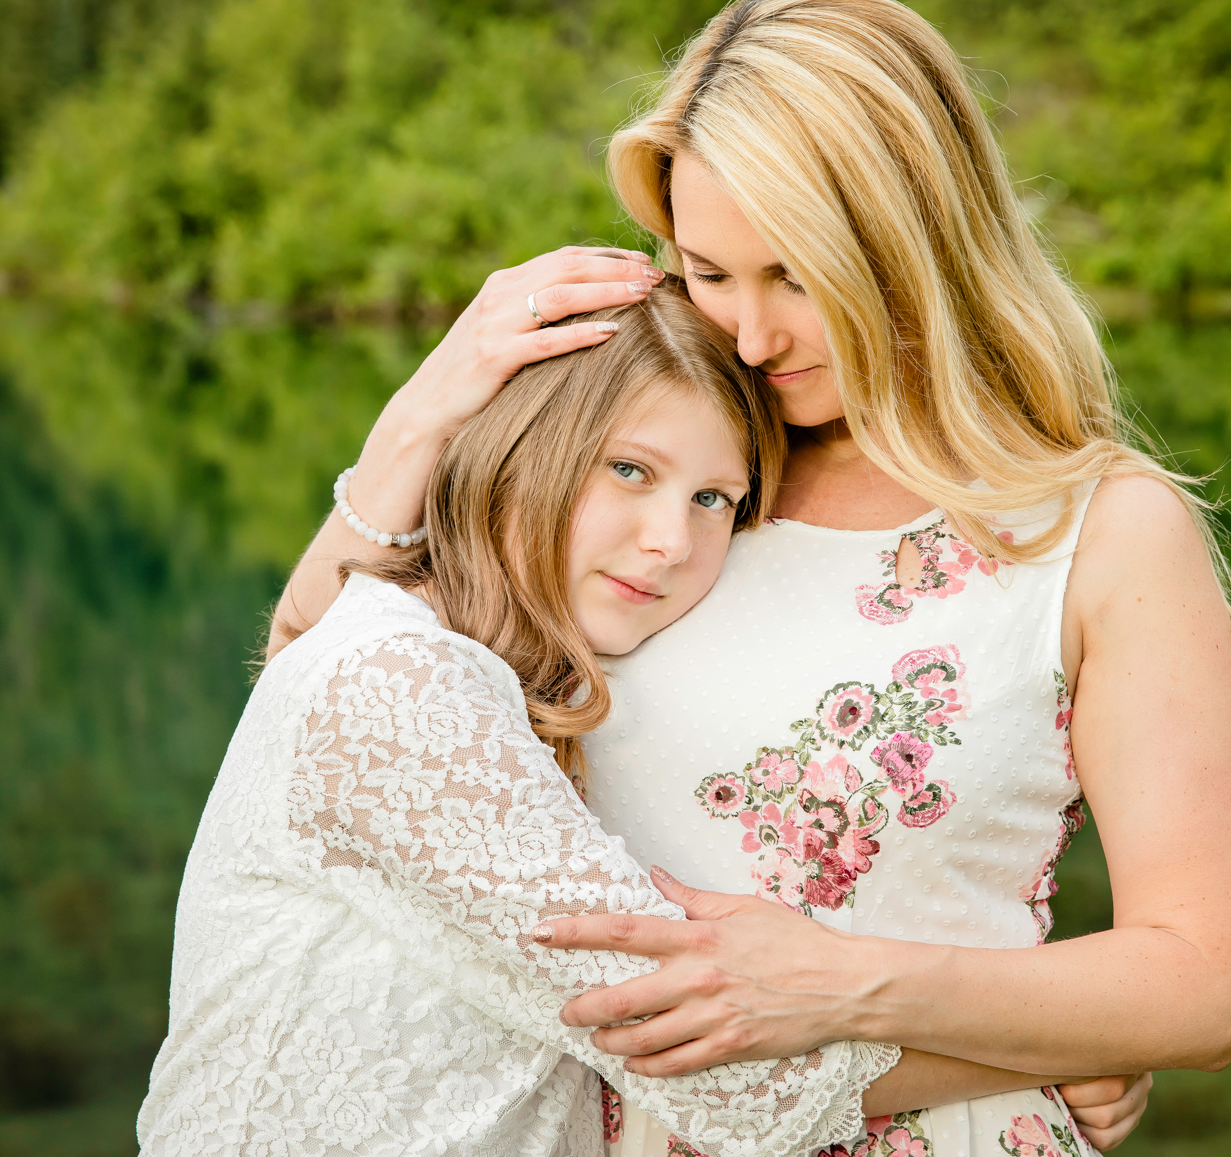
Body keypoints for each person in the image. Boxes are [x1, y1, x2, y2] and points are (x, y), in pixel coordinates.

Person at [264, 0, 1231, 1156]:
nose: (747, 336)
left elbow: (1200, 984)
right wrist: (418, 416)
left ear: (914, 239)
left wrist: (868, 990)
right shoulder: (662, 472)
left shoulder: (1098, 531)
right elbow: (321, 704)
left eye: (793, 275)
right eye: (706, 272)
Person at [141, 283, 917, 1155]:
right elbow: (708, 1053)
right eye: (629, 469)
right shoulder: (399, 678)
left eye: (714, 500)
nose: (671, 539)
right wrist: (1050, 1047)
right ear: (521, 449)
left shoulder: (475, 670)